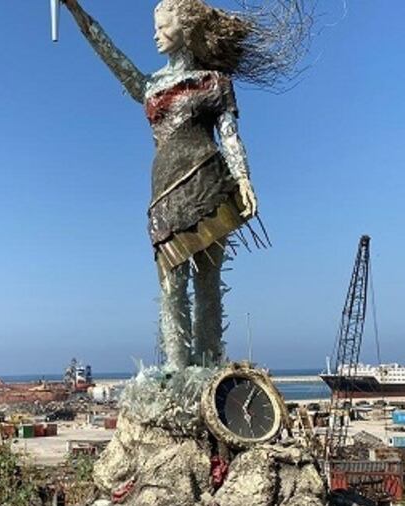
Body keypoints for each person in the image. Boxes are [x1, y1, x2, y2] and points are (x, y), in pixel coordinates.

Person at [63, 0, 270, 369]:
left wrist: (243, 178)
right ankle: (177, 369)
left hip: (209, 182)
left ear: (186, 31)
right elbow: (109, 53)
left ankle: (206, 368)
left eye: (163, 27)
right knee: (171, 284)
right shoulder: (149, 85)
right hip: (164, 191)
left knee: (208, 280)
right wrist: (75, 9)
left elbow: (231, 136)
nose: (155, 34)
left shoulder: (215, 83)